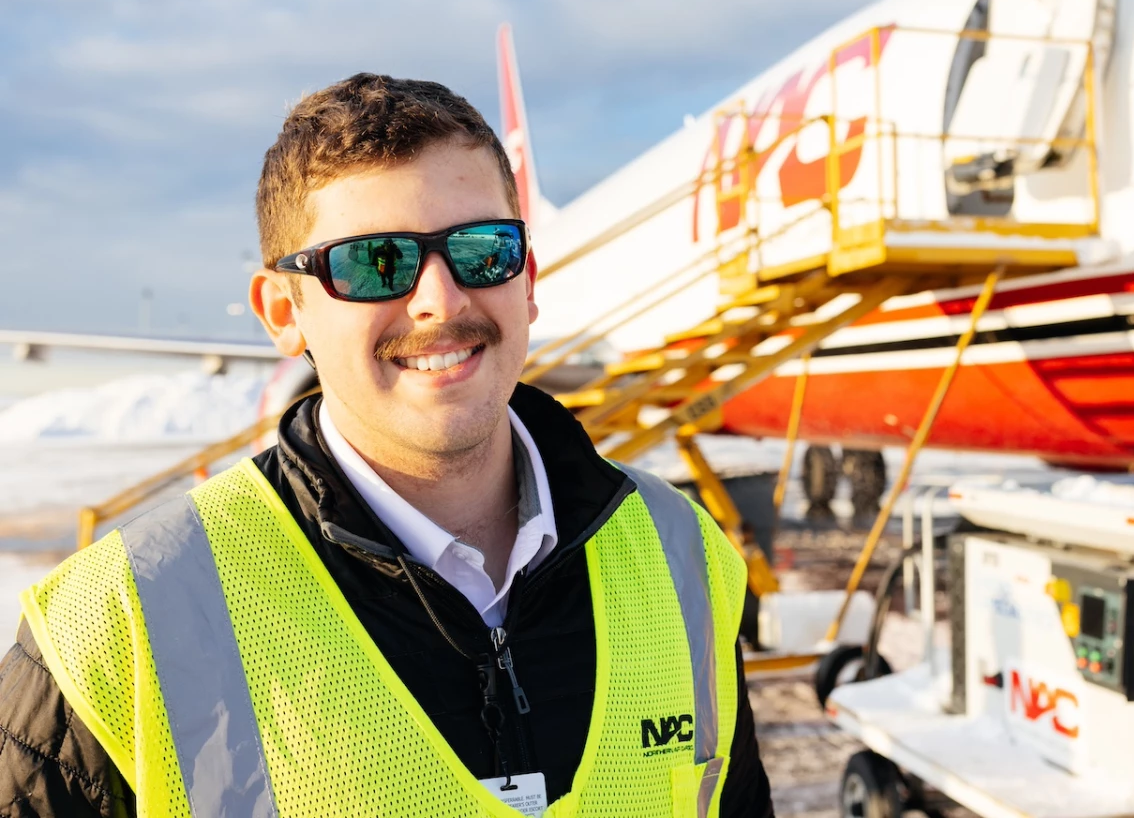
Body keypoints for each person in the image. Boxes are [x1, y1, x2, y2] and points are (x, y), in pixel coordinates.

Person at [0, 74, 774, 817]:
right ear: (283, 311)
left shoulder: (684, 559)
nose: (440, 298)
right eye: (377, 262)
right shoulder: (123, 622)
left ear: (527, 278)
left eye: (480, 251)